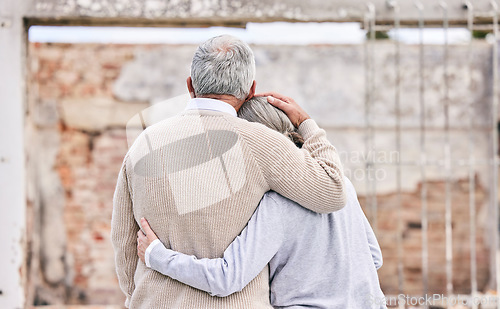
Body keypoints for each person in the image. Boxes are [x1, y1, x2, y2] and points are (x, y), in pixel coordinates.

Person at [111, 35, 346, 308]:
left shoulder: (143, 143)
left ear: (190, 85)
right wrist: (306, 123)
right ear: (250, 90)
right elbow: (334, 191)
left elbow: (125, 243)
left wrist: (138, 295)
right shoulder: (264, 143)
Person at [137, 96, 386, 309]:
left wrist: (158, 256)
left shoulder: (275, 203)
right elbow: (374, 257)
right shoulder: (342, 184)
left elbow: (227, 278)